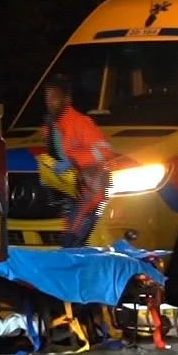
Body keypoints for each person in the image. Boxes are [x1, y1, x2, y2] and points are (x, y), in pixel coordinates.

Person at [41, 73, 117, 247]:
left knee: (73, 240)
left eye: (54, 97)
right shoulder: (51, 126)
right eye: (47, 97)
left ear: (66, 99)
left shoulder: (79, 123)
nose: (49, 102)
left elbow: (105, 151)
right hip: (69, 192)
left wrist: (74, 160)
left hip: (90, 192)